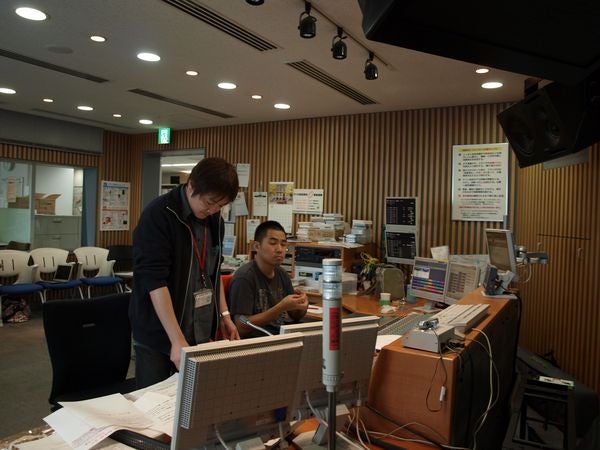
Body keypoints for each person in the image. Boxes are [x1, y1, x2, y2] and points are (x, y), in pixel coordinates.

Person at [130, 157, 240, 388]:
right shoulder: (159, 215)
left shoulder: (214, 220)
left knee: (192, 400)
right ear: (191, 186)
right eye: (210, 202)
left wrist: (224, 315)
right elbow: (155, 281)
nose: (213, 210)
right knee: (154, 401)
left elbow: (214, 271)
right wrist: (176, 338)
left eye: (221, 205)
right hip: (159, 335)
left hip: (198, 329)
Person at [228, 220, 308, 337]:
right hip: (256, 342)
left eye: (283, 244)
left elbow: (294, 315)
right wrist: (280, 308)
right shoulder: (244, 278)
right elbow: (241, 326)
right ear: (257, 246)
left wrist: (302, 305)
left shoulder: (282, 274)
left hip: (278, 337)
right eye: (273, 243)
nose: (279, 249)